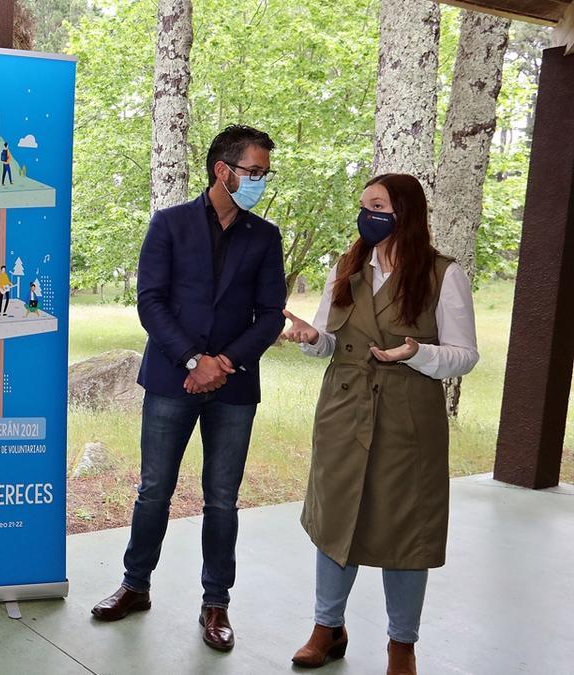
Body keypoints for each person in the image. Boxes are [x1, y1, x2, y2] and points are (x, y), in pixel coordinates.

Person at [91, 125, 285, 654]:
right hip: (172, 378)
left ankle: (216, 602)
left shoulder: (264, 236)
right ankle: (135, 585)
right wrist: (194, 360)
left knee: (222, 498)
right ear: (223, 171)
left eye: (265, 175)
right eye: (254, 172)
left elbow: (270, 316)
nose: (260, 182)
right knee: (154, 488)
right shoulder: (170, 224)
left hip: (235, 385)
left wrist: (223, 362)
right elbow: (150, 301)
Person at [282, 173, 478, 675]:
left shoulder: (442, 274)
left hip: (408, 417)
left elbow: (465, 356)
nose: (367, 214)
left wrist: (418, 352)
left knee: (406, 530)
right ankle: (327, 628)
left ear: (405, 213)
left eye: (378, 205)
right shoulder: (347, 270)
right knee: (334, 519)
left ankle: (401, 647)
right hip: (343, 411)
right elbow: (329, 340)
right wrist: (309, 336)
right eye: (364, 205)